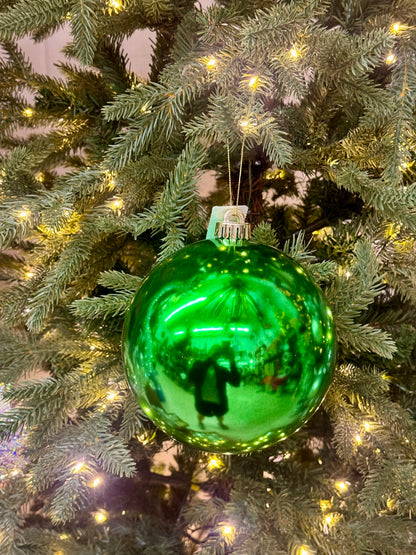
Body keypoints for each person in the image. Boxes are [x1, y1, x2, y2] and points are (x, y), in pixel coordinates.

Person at [189, 343, 240, 429]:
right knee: (201, 413)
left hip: (218, 401)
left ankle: (221, 423)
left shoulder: (222, 370)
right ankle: (200, 422)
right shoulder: (199, 365)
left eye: (218, 353)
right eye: (214, 352)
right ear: (209, 353)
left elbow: (236, 382)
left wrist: (232, 362)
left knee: (219, 414)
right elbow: (191, 378)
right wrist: (209, 360)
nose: (216, 354)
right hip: (203, 400)